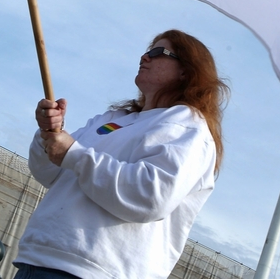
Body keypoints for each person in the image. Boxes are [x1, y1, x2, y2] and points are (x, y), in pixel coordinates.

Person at [14, 29, 229, 279]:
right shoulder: (114, 119)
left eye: (158, 53)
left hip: (96, 271)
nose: (144, 57)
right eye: (147, 51)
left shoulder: (187, 126)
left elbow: (150, 196)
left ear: (186, 71)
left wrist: (73, 153)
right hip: (38, 260)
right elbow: (50, 173)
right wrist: (50, 134)